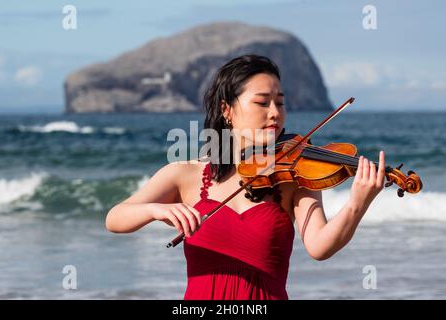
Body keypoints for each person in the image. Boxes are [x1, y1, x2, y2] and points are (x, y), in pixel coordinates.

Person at [105, 54, 386, 300]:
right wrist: (155, 209)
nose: (275, 113)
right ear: (227, 110)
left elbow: (320, 247)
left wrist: (356, 205)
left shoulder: (294, 176)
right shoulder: (185, 174)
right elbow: (115, 219)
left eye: (280, 103)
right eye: (263, 103)